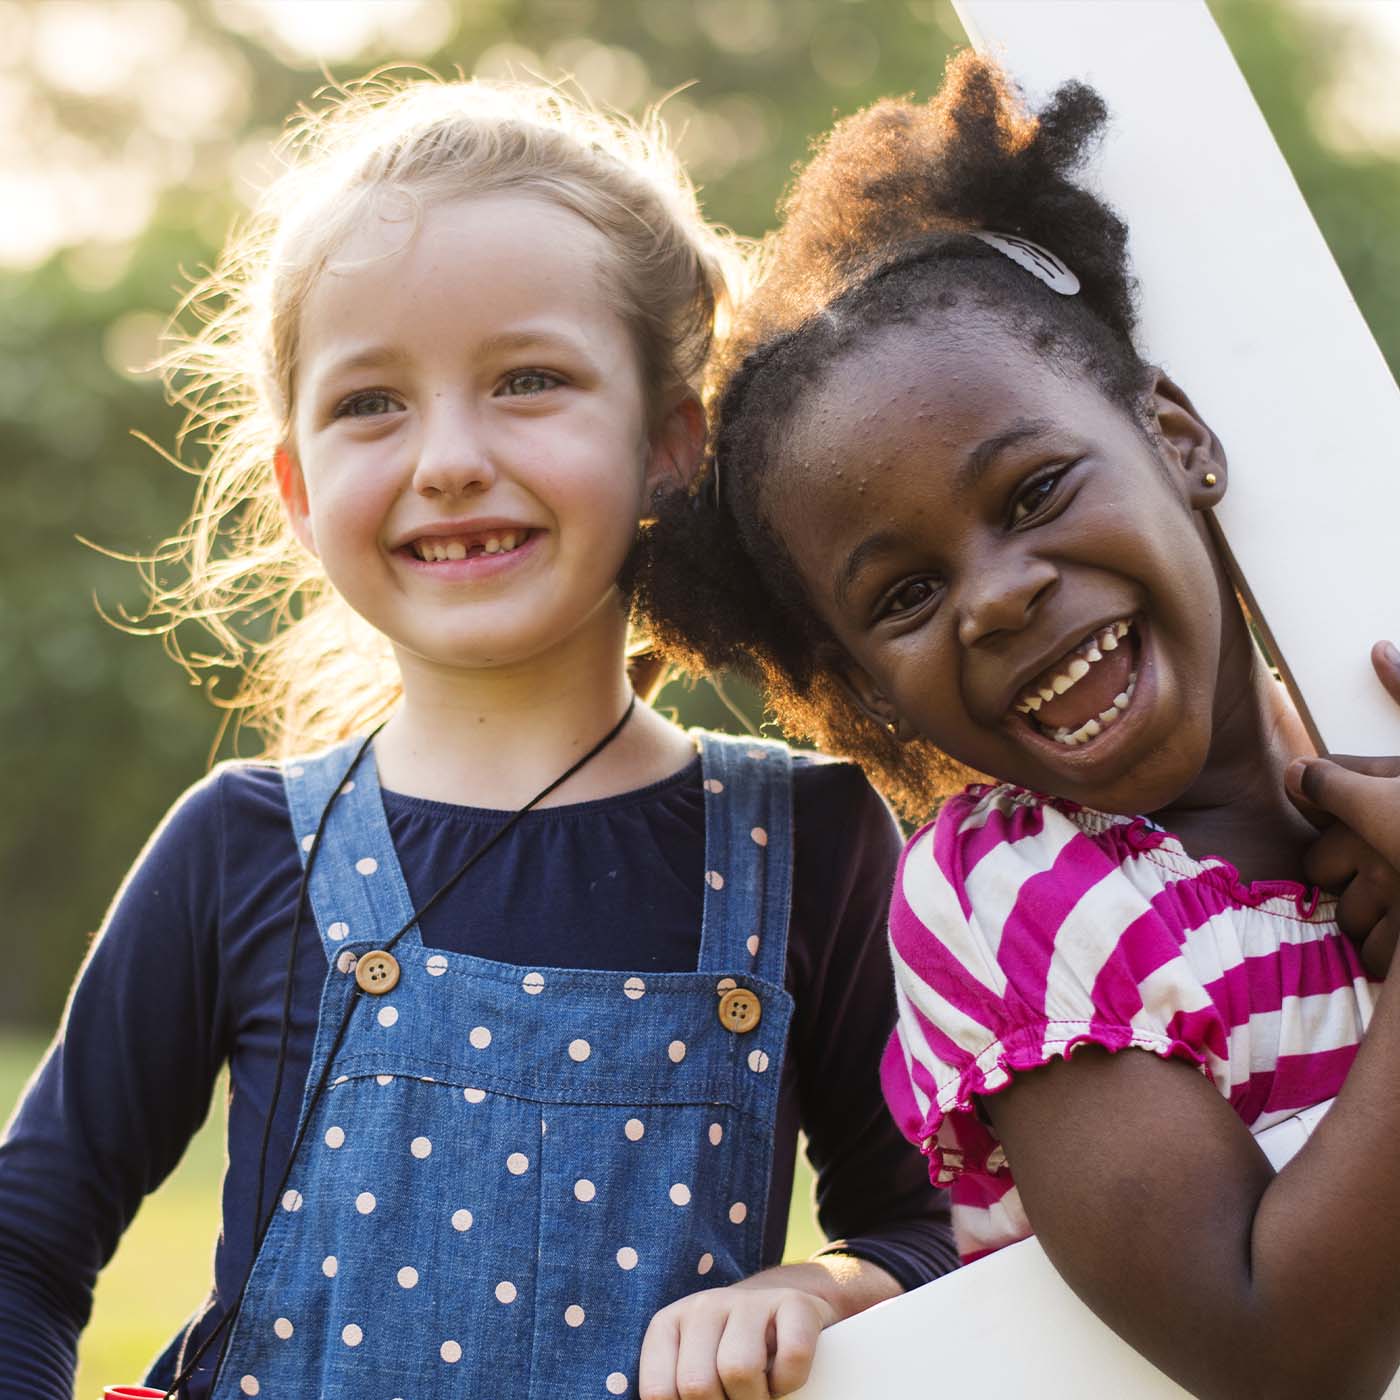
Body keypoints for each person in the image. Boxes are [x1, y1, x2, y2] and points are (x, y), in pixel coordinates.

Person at [0, 75, 957, 1400]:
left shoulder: (821, 842)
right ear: (296, 485)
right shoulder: (242, 850)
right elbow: (23, 1252)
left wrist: (828, 1282)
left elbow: (935, 1231)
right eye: (370, 403)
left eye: (527, 380)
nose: (447, 456)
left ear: (670, 445)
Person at [637, 52, 1400, 1400]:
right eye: (908, 594)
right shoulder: (1018, 897)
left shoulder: (1360, 735)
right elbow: (1273, 1344)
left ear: (1175, 437)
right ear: (865, 686)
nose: (997, 599)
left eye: (1037, 490)